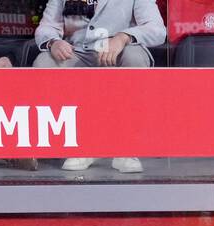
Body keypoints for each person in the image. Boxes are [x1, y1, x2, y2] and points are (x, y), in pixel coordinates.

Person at [33, 0, 165, 174]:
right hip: (78, 51)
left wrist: (123, 37)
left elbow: (157, 30)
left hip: (117, 51)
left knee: (135, 58)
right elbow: (46, 27)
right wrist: (53, 42)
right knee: (44, 63)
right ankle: (79, 145)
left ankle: (126, 148)